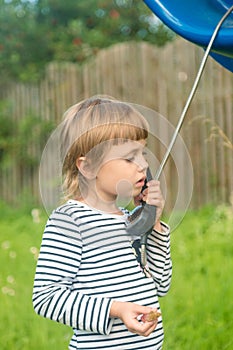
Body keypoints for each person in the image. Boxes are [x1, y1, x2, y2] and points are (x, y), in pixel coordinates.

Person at [33, 95, 172, 350]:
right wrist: (115, 309)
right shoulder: (70, 222)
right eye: (130, 157)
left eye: (143, 153)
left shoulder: (131, 220)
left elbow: (161, 285)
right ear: (87, 167)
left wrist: (154, 223)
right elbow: (46, 297)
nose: (144, 164)